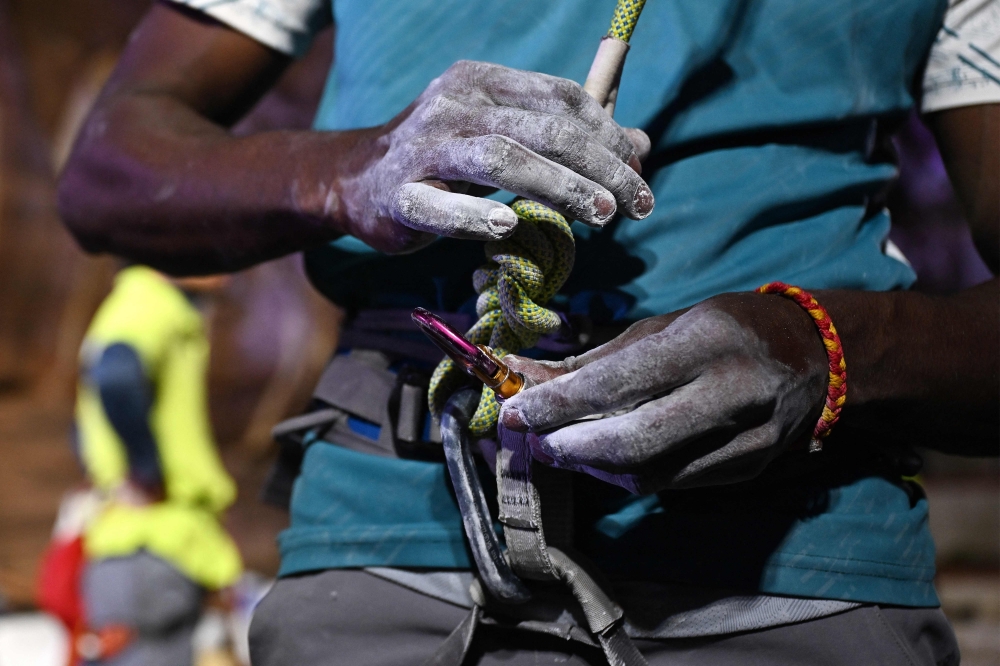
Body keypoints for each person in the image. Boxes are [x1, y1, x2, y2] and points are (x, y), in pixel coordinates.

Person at [57, 0, 998, 663]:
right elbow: (108, 172)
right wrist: (352, 171)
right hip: (390, 550)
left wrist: (827, 348)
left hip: (793, 562)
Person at [72, 265, 241, 665]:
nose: (229, 271)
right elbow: (114, 376)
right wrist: (145, 468)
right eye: (212, 253)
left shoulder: (129, 307)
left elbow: (80, 421)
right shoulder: (149, 303)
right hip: (151, 546)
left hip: (155, 546)